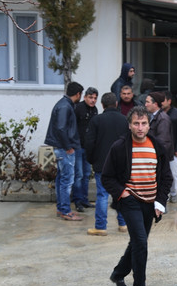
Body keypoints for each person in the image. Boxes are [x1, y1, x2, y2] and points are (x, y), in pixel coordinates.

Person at [102, 106, 173, 286]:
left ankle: (118, 273)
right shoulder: (120, 147)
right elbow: (107, 177)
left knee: (136, 242)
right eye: (136, 123)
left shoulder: (157, 146)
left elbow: (166, 178)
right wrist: (121, 193)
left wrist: (160, 201)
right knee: (141, 242)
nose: (140, 127)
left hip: (150, 203)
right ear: (129, 125)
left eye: (143, 123)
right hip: (130, 200)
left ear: (149, 125)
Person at [84, 92, 130, 236]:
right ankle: (123, 224)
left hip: (102, 164)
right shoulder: (124, 120)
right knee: (120, 193)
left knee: (102, 195)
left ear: (102, 105)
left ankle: (101, 226)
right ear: (116, 104)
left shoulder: (96, 120)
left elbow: (89, 143)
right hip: (120, 164)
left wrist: (91, 160)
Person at [44, 81, 85, 221]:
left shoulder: (64, 104)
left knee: (62, 179)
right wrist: (68, 147)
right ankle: (66, 211)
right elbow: (61, 128)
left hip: (62, 147)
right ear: (78, 94)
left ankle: (62, 208)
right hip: (64, 149)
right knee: (67, 181)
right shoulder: (65, 107)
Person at [72, 86, 98, 212]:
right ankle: (77, 201)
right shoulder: (78, 108)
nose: (93, 100)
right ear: (85, 97)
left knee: (86, 174)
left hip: (88, 148)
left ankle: (84, 199)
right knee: (79, 174)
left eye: (95, 98)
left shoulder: (95, 110)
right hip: (78, 147)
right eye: (90, 97)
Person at [162, 91, 177, 203]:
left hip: (173, 150)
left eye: (163, 100)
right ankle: (164, 194)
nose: (160, 103)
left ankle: (173, 193)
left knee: (173, 173)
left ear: (169, 101)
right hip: (161, 150)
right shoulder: (157, 113)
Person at [145, 92, 174, 162]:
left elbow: (163, 142)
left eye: (147, 102)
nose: (145, 105)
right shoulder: (150, 116)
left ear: (155, 104)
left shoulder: (163, 119)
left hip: (158, 157)